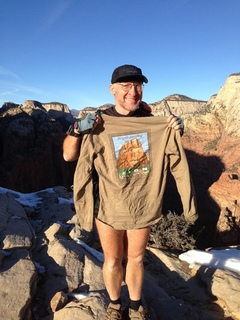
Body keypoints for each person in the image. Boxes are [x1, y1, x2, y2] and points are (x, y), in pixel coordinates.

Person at [63, 65, 196, 320]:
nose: (132, 92)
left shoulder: (153, 122)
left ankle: (135, 307)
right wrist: (77, 129)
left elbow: (178, 161)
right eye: (126, 86)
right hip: (108, 207)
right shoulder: (99, 123)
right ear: (112, 90)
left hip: (142, 204)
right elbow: (70, 156)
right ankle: (115, 305)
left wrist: (175, 130)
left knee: (135, 259)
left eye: (137, 86)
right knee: (112, 261)